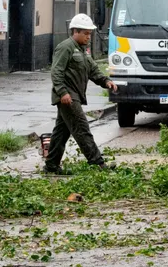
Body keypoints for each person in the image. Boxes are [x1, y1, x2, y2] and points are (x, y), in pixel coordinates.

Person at [44, 14, 118, 173]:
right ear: (75, 31)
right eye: (85, 33)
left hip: (74, 95)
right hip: (67, 97)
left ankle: (51, 166)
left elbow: (92, 70)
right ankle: (98, 164)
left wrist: (106, 81)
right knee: (82, 128)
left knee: (61, 132)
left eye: (89, 34)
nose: (88, 37)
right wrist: (62, 92)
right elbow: (56, 72)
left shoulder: (83, 51)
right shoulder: (66, 47)